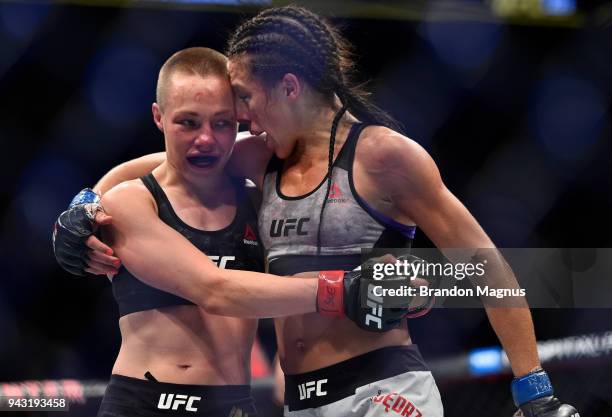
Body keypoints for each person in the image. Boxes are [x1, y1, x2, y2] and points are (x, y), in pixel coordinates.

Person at [54, 6, 579, 417]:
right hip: (303, 401)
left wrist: (532, 386)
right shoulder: (260, 156)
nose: (239, 116)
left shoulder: (384, 157)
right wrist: (82, 207)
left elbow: (484, 265)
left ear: (288, 86)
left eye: (244, 97)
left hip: (384, 388)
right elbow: (166, 164)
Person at [53, 46, 406, 417]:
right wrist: (85, 201)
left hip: (234, 407)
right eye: (188, 122)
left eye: (222, 123)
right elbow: (215, 289)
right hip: (144, 405)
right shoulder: (131, 203)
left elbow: (302, 272)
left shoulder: (259, 202)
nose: (206, 139)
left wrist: (413, 283)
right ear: (159, 117)